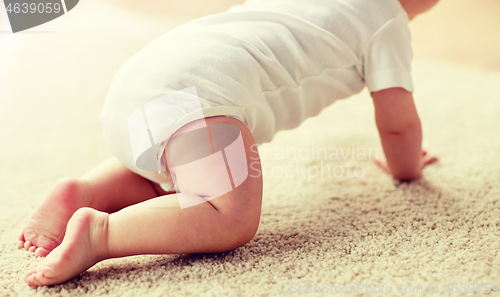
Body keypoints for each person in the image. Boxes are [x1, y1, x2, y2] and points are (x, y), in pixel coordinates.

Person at [20, 0, 438, 286]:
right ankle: (101, 233)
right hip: (201, 95)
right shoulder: (388, 23)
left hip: (145, 76)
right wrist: (406, 168)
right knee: (227, 212)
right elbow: (398, 125)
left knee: (175, 177)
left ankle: (84, 190)